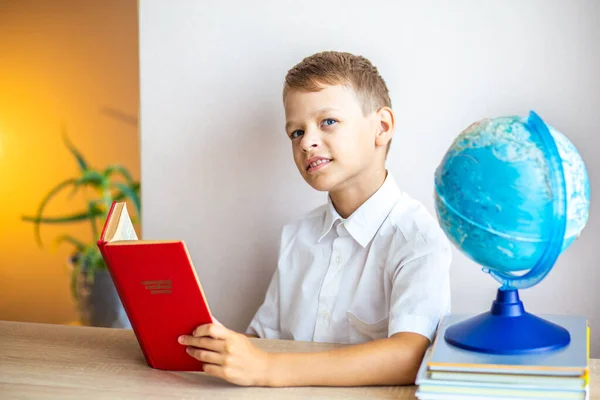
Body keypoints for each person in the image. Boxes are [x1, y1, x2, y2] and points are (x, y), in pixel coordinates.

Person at [178, 51, 451, 387]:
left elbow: (412, 355)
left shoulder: (417, 239)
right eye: (295, 132)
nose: (307, 142)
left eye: (328, 122)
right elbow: (264, 339)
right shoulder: (298, 235)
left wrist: (267, 369)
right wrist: (224, 349)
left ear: (381, 127)